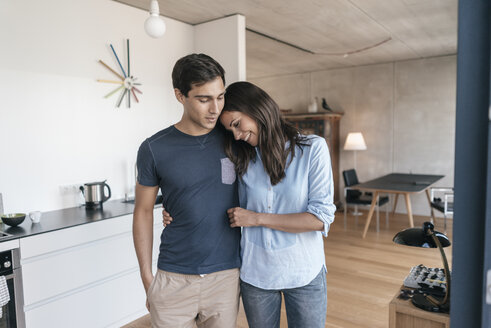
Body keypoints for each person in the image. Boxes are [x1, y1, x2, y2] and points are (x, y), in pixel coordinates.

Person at [164, 81, 336, 328]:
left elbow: (319, 219)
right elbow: (214, 195)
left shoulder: (312, 150)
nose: (236, 135)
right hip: (256, 275)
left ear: (257, 109)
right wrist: (178, 211)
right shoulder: (239, 158)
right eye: (229, 130)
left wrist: (257, 218)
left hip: (304, 272)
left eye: (236, 124)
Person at [133, 53, 241, 328]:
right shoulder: (154, 148)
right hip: (173, 278)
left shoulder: (235, 139)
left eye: (220, 97)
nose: (215, 108)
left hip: (226, 276)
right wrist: (148, 278)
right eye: (204, 99)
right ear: (180, 95)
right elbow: (144, 211)